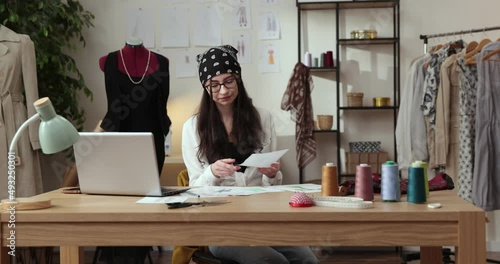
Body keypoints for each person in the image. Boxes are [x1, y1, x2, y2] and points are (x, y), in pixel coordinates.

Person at [182, 45, 320, 264]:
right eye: (214, 85)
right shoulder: (193, 128)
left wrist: (272, 174)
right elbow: (194, 190)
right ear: (205, 88)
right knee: (275, 261)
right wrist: (211, 172)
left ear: (238, 79)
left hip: (263, 218)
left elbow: (270, 187)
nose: (223, 90)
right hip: (221, 228)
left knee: (307, 259)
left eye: (229, 81)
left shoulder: (262, 119)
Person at [98, 37, 171, 174]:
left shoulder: (162, 62)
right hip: (117, 137)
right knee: (120, 189)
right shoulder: (108, 61)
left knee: (150, 189)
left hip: (154, 140)